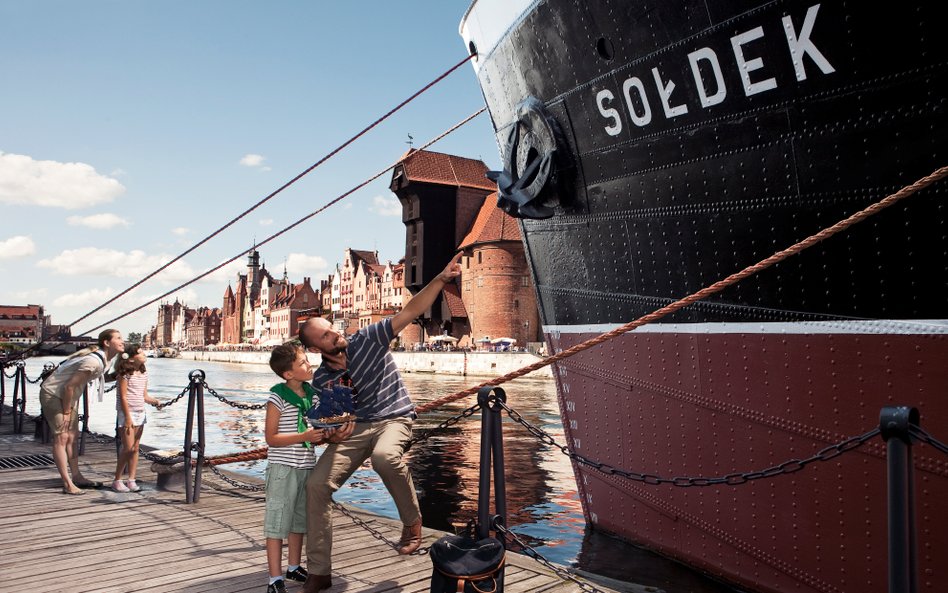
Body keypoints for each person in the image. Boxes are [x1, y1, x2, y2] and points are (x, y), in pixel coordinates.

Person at [297, 252, 462, 593]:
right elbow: (331, 421)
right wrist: (330, 433)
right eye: (326, 336)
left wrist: (441, 279)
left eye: (332, 328)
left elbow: (410, 311)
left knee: (385, 457)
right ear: (315, 350)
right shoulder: (324, 378)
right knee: (316, 486)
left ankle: (412, 522)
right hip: (358, 428)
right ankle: (319, 571)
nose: (336, 334)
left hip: (394, 417)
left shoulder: (368, 339)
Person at [263, 343, 352, 593]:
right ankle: (274, 579)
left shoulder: (311, 395)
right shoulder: (277, 398)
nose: (308, 364)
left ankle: (293, 567)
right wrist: (304, 436)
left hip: (305, 467)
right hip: (283, 469)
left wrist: (334, 428)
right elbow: (271, 438)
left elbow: (319, 426)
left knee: (298, 521)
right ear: (288, 373)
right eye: (302, 363)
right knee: (277, 524)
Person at [39, 329, 125, 494]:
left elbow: (96, 377)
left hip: (68, 397)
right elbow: (69, 386)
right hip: (53, 394)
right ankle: (67, 484)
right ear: (107, 343)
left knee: (72, 437)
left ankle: (77, 477)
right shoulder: (93, 361)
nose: (123, 341)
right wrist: (66, 412)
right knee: (62, 437)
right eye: (119, 338)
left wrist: (117, 374)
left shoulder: (106, 360)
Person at [111, 344, 160, 493]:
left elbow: (144, 396)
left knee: (135, 448)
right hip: (127, 413)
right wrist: (127, 418)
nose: (144, 354)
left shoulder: (143, 373)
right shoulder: (125, 374)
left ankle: (131, 479)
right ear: (131, 359)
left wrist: (155, 402)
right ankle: (117, 480)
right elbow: (123, 397)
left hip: (140, 412)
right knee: (128, 448)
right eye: (140, 353)